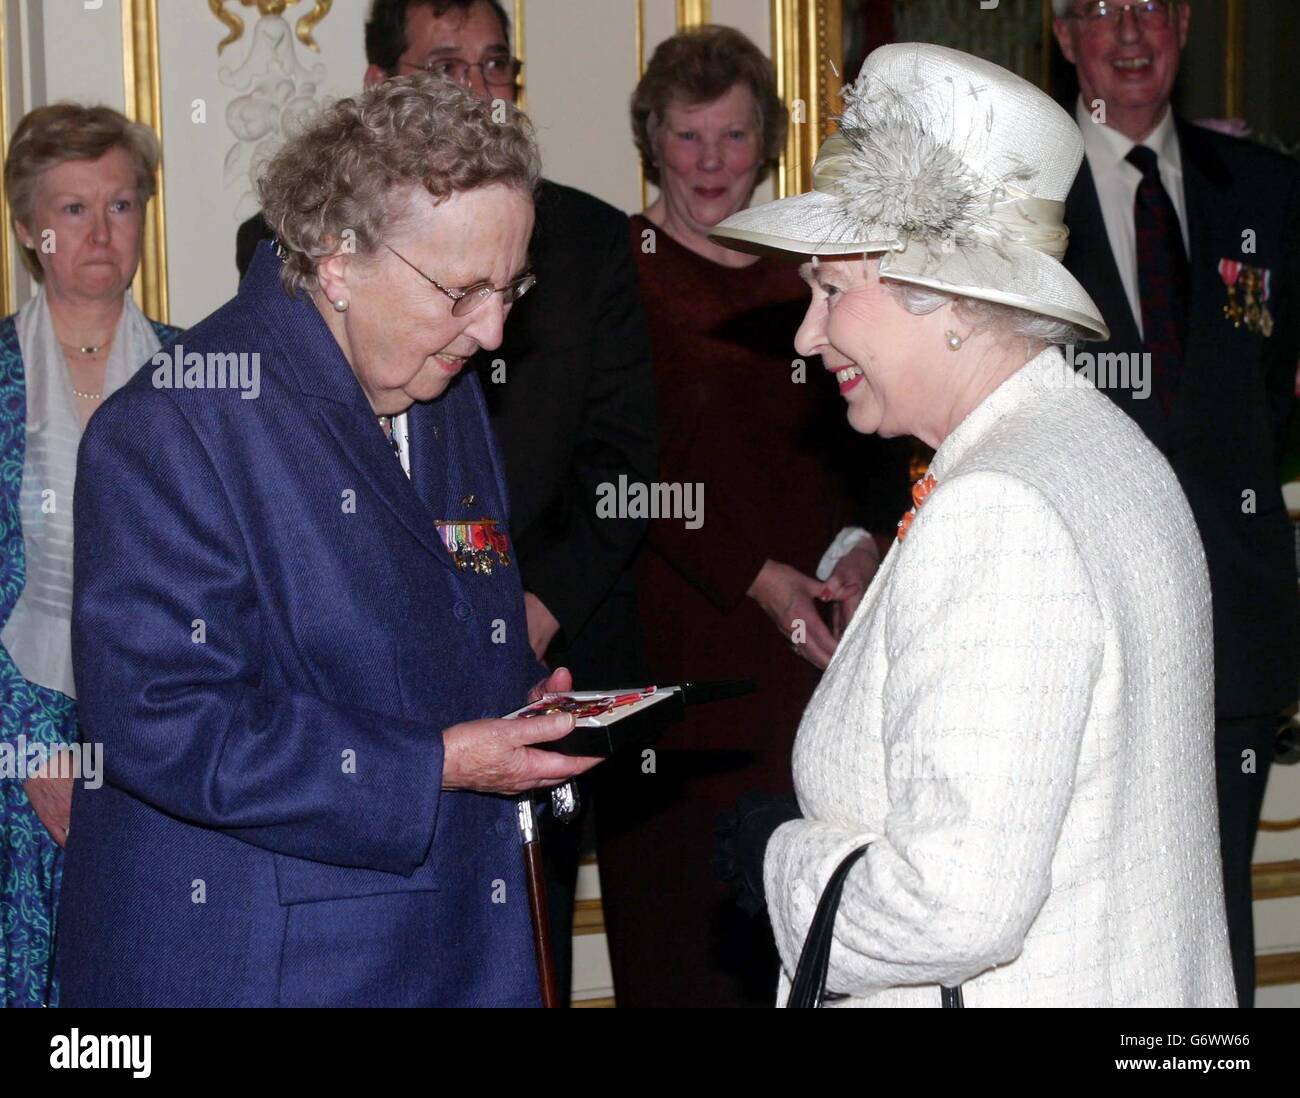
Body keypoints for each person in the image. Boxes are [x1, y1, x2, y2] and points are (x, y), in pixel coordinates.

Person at [56, 75, 599, 1007]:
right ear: (339, 262)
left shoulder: (443, 389)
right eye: (464, 290)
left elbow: (427, 615)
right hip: (273, 965)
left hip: (450, 937)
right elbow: (164, 721)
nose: (495, 329)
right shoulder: (175, 424)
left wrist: (508, 697)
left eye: (511, 289)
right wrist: (438, 764)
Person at [713, 42, 1236, 1006]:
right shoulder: (1097, 445)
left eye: (832, 290)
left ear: (946, 299)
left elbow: (953, 908)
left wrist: (778, 864)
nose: (807, 334)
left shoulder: (1003, 507)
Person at [236, 0, 656, 1001]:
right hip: (333, 784)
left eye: (494, 65)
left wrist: (525, 624)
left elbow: (621, 465)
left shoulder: (591, 243)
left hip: (526, 681)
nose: (476, 90)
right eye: (445, 67)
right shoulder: (268, 275)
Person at [596, 26, 908, 1008]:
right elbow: (610, 479)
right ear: (652, 140)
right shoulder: (616, 270)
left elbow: (864, 445)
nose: (711, 164)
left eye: (732, 137)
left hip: (812, 665)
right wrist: (757, 576)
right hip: (671, 663)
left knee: (803, 940)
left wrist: (860, 550)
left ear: (766, 139)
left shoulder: (807, 274)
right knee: (680, 949)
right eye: (689, 138)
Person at [1053, 0, 1299, 1006]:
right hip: (1079, 626)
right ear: (1061, 36)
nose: (1127, 31)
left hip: (1231, 635)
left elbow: (1272, 388)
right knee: (1091, 925)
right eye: (1096, 9)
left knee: (1213, 921)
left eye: (1148, 3)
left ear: (1184, 23)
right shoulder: (1012, 197)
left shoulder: (1271, 192)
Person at [0, 104, 177, 1008]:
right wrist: (25, 746)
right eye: (72, 209)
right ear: (30, 228)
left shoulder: (199, 373)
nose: (102, 231)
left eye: (121, 203)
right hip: (11, 748)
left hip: (168, 746)